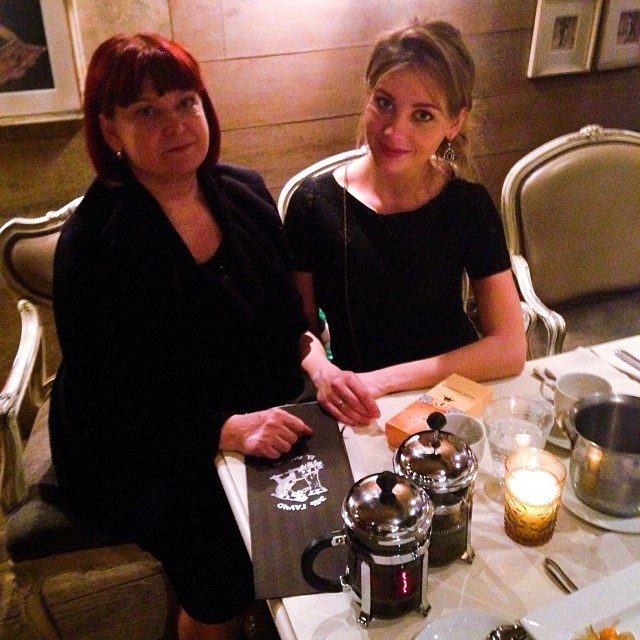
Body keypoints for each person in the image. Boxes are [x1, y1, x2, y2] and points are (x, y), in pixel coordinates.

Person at [48, 33, 366, 640]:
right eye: (147, 111)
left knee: (337, 500)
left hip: (250, 401)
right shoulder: (91, 245)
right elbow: (108, 398)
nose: (176, 125)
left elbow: (287, 322)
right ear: (111, 130)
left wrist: (321, 367)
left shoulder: (244, 191)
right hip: (139, 441)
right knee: (221, 555)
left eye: (185, 102)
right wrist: (227, 429)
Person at [284, 19, 527, 418]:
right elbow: (298, 327)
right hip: (359, 403)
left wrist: (383, 380)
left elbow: (510, 347)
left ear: (455, 122)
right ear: (368, 96)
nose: (394, 130)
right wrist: (323, 371)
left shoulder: (466, 203)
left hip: (449, 396)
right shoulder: (312, 203)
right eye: (384, 103)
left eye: (423, 115)